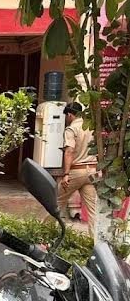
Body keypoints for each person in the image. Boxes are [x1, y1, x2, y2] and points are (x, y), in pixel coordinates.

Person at [58, 101, 97, 235]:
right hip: (92, 171)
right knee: (93, 210)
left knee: (56, 202)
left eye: (66, 116)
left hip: (76, 171)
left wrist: (66, 174)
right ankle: (96, 241)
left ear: (70, 114)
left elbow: (69, 151)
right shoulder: (91, 127)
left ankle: (43, 235)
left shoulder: (71, 129)